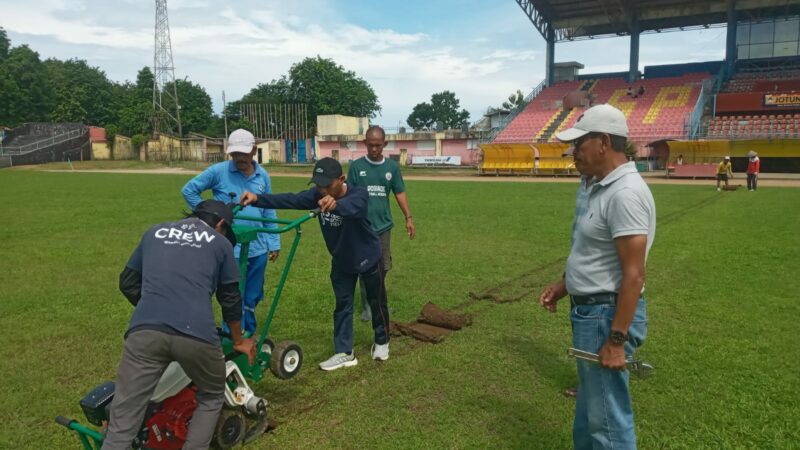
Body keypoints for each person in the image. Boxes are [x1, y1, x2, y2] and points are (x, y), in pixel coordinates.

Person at [539, 104, 655, 450]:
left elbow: (633, 275)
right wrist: (564, 286)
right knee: (591, 416)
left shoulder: (625, 193)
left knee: (608, 422)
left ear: (603, 142)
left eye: (580, 144)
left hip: (606, 316)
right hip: (593, 313)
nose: (574, 152)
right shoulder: (601, 187)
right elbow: (595, 254)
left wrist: (616, 341)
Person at [102, 200, 256, 450]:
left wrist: (160, 306)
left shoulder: (155, 231)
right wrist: (239, 341)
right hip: (197, 333)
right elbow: (230, 299)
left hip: (144, 330)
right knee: (211, 394)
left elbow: (127, 282)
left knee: (124, 416)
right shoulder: (221, 244)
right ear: (220, 224)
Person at [240, 157, 391, 370]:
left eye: (327, 185)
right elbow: (290, 199)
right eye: (318, 185)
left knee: (377, 302)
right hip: (342, 260)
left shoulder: (358, 194)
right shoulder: (317, 196)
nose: (322, 190)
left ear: (341, 179)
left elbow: (353, 206)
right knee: (342, 306)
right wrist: (257, 199)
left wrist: (336, 204)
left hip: (368, 256)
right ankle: (345, 352)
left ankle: (382, 341)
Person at [182, 128, 280, 335]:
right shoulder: (218, 171)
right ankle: (231, 337)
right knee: (233, 295)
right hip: (229, 248)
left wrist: (274, 242)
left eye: (244, 154)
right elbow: (189, 190)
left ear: (254, 151)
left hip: (258, 247)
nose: (239, 159)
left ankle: (249, 335)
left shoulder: (263, 176)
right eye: (235, 154)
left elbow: (269, 211)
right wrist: (208, 216)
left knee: (252, 295)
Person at [347, 125, 415, 322]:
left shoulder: (391, 168)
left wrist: (408, 217)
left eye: (378, 145)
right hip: (361, 227)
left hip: (383, 227)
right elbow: (348, 194)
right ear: (365, 144)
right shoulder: (357, 167)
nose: (374, 149)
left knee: (383, 266)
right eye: (370, 145)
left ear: (384, 144)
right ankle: (368, 307)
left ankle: (377, 301)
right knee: (364, 266)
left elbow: (399, 192)